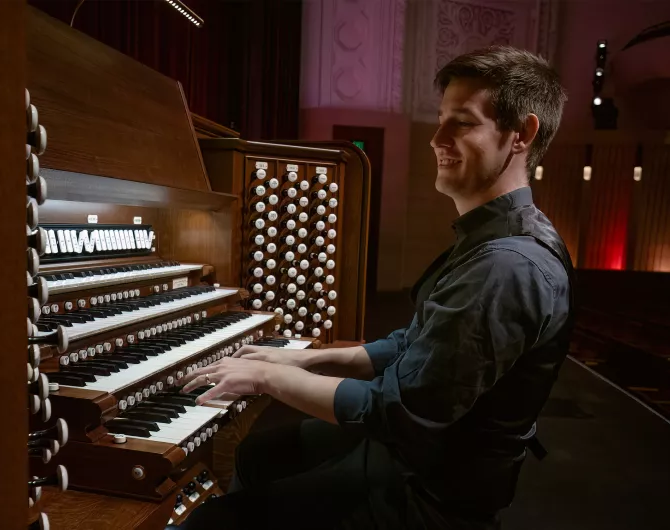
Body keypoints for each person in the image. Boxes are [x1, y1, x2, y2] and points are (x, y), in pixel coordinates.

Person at [177, 45, 575, 530]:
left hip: (430, 492)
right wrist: (303, 358)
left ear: (522, 135)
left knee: (212, 523)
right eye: (441, 118)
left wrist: (266, 378)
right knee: (262, 454)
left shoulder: (508, 265)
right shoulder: (495, 238)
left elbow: (395, 413)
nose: (437, 138)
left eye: (463, 122)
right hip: (420, 452)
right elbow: (415, 345)